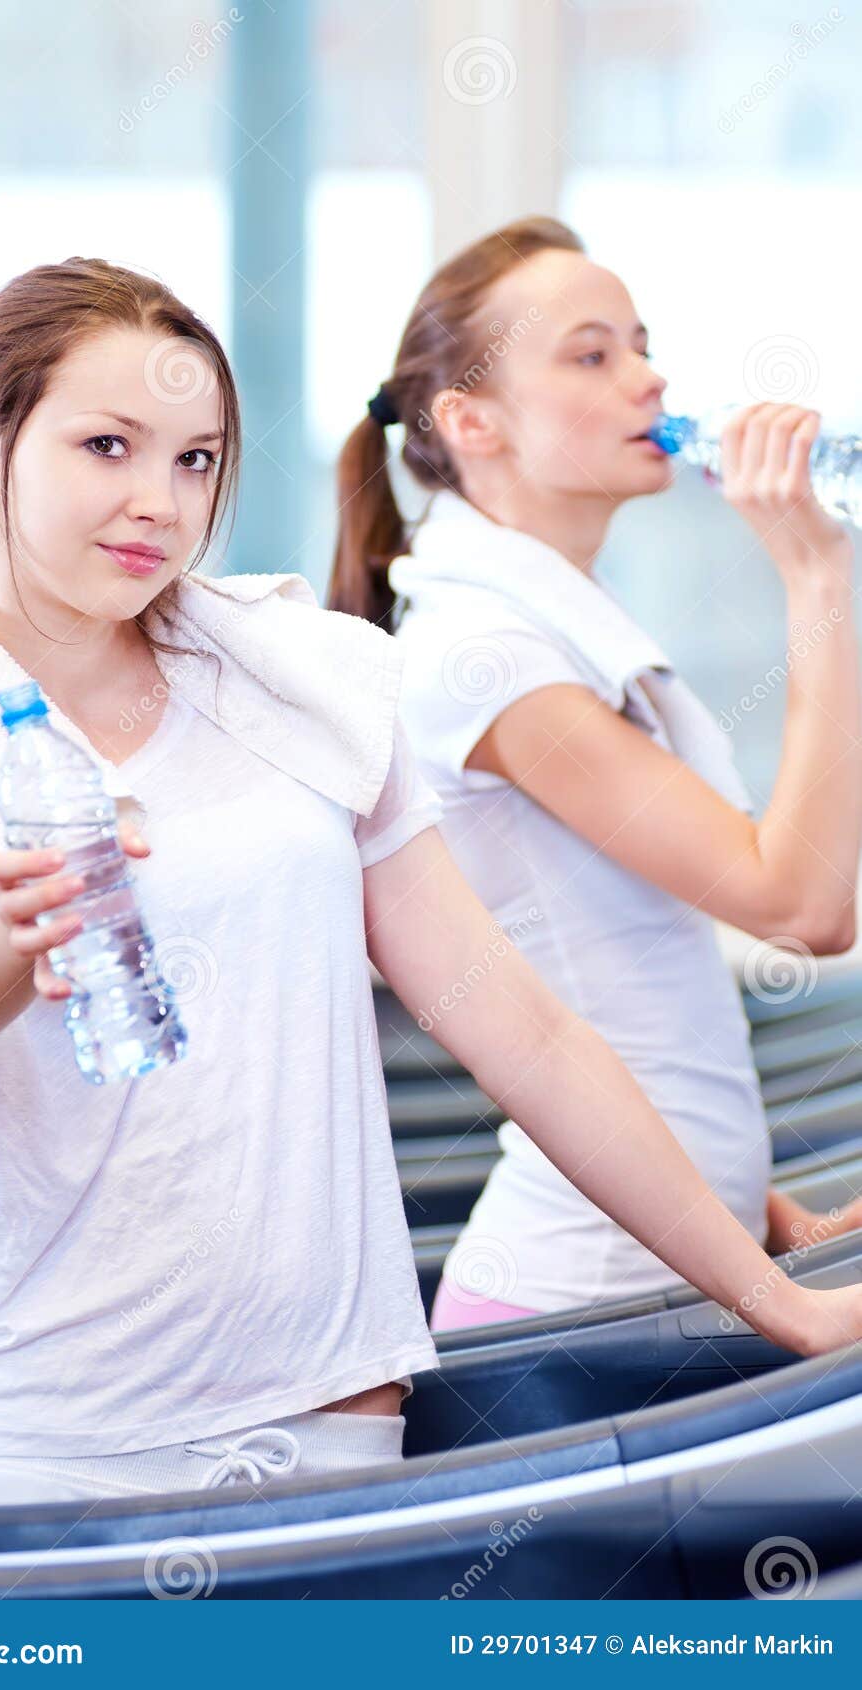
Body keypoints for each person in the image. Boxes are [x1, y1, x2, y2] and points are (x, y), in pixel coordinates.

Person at [0, 257, 862, 1515]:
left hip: (323, 1437)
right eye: (107, 445)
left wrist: (777, 1304)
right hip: (35, 1437)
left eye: (196, 459)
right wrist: (13, 922)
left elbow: (524, 1032)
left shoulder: (306, 688)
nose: (158, 499)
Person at [329, 215, 862, 1332]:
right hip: (575, 1307)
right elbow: (802, 905)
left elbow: (615, 980)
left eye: (641, 344)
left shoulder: (543, 621)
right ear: (469, 419)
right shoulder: (489, 662)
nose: (649, 377)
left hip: (653, 1274)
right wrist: (814, 575)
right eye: (591, 354)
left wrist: (759, 1205)